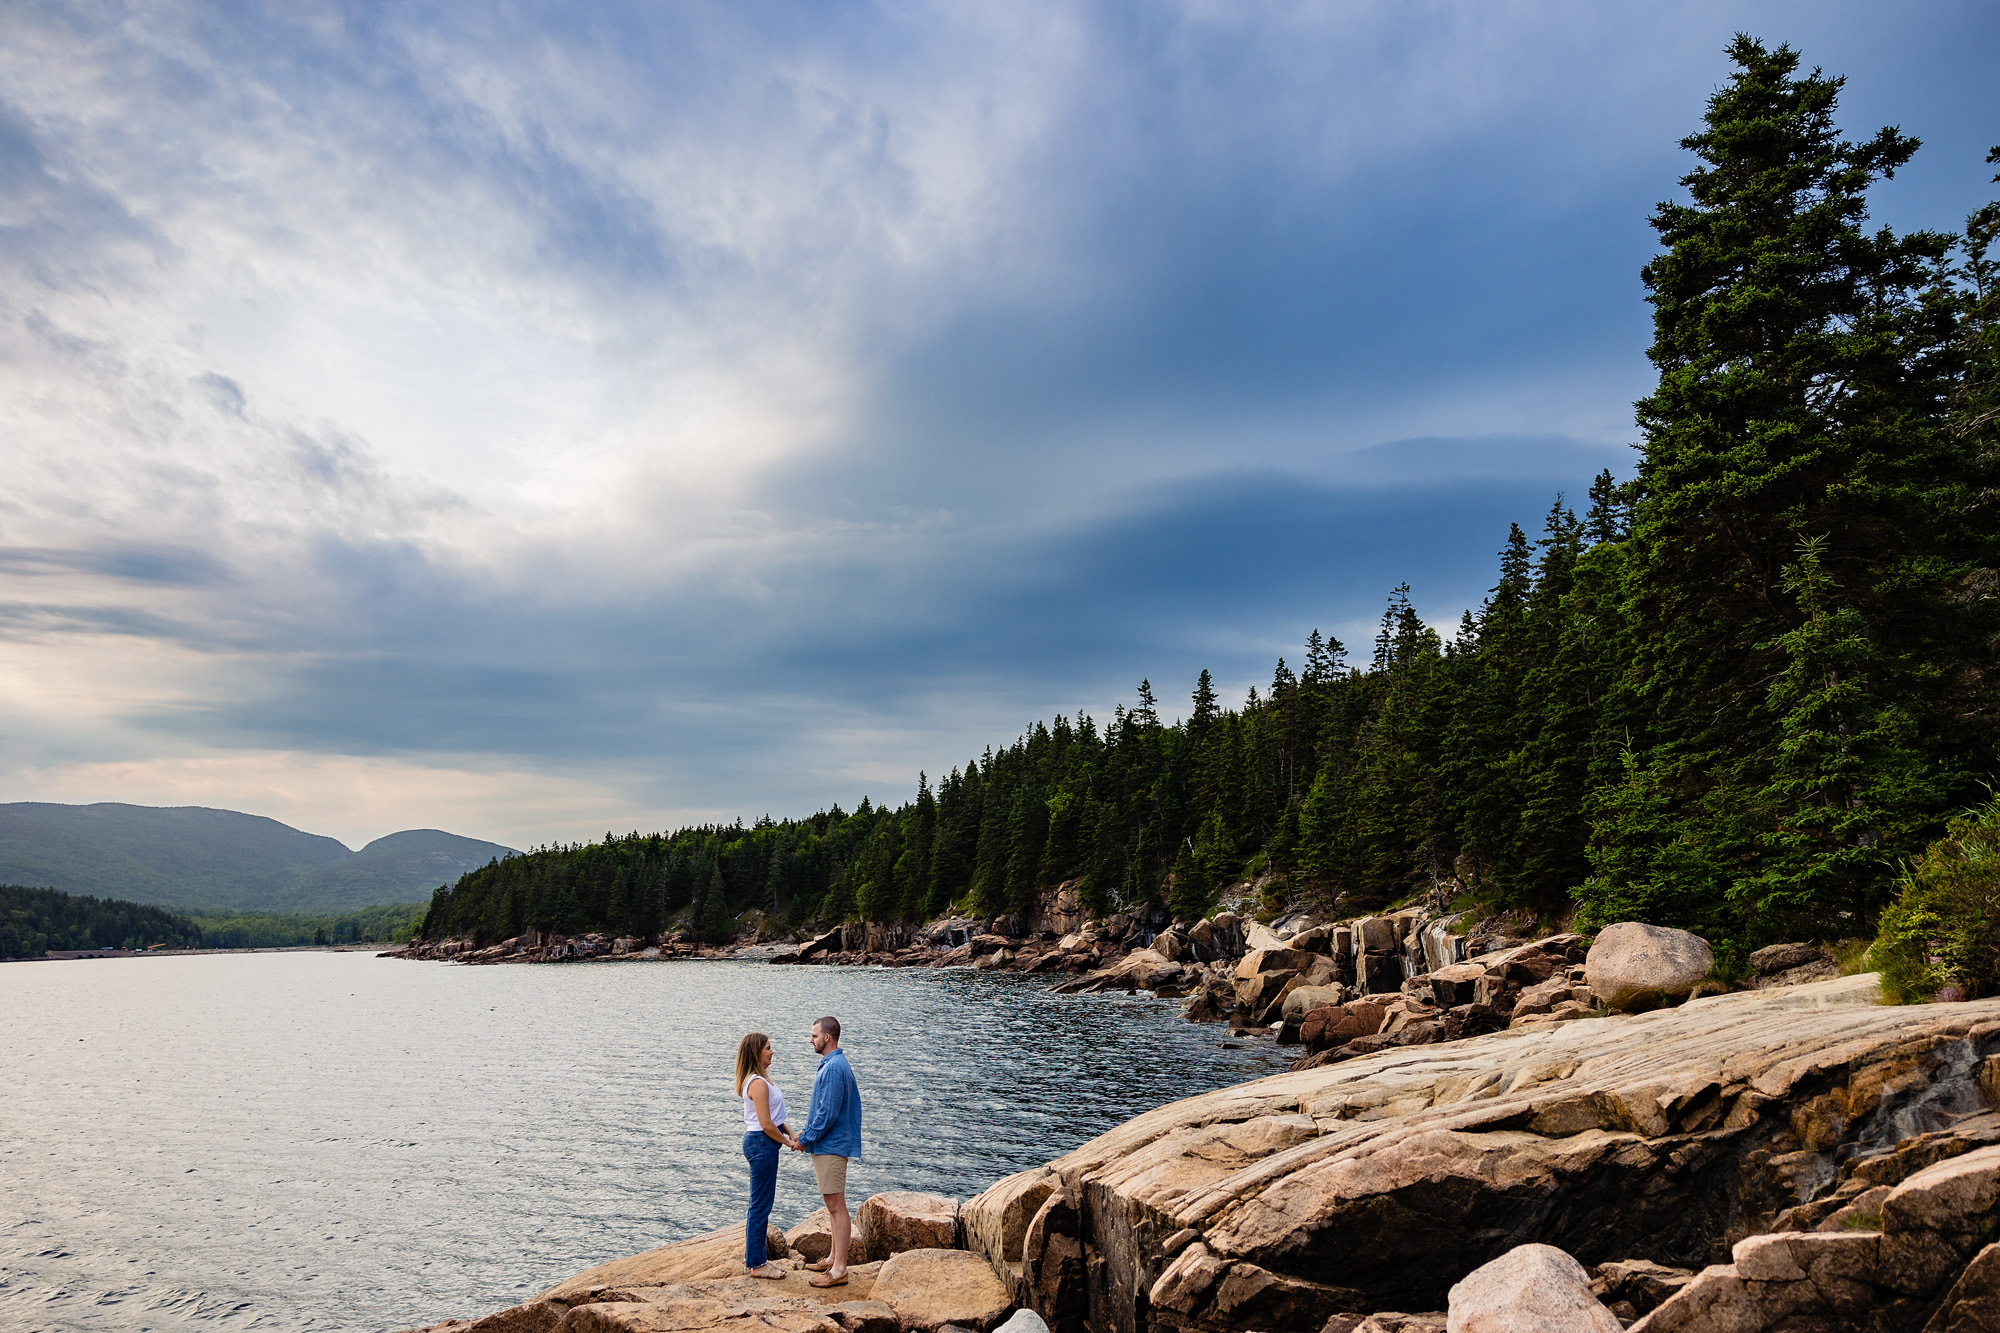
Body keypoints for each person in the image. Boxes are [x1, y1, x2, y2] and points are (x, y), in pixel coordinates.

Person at [792, 1014, 862, 1288]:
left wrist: (806, 1138)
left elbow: (828, 1113)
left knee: (836, 1206)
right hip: (827, 1144)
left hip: (831, 1146)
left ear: (827, 1038)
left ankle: (840, 1269)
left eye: (813, 1036)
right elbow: (822, 1110)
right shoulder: (833, 1064)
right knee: (832, 1206)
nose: (810, 1040)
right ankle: (833, 1258)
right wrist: (806, 1133)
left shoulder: (834, 1068)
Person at [734, 1031, 799, 1279]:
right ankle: (757, 1263)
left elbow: (777, 1118)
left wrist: (791, 1134)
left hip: (765, 1143)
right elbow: (766, 1123)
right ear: (756, 1052)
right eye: (768, 1048)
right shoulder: (757, 1083)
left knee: (762, 1202)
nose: (772, 1052)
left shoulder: (764, 1079)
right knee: (760, 1205)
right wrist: (787, 1142)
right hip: (761, 1143)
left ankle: (754, 1259)